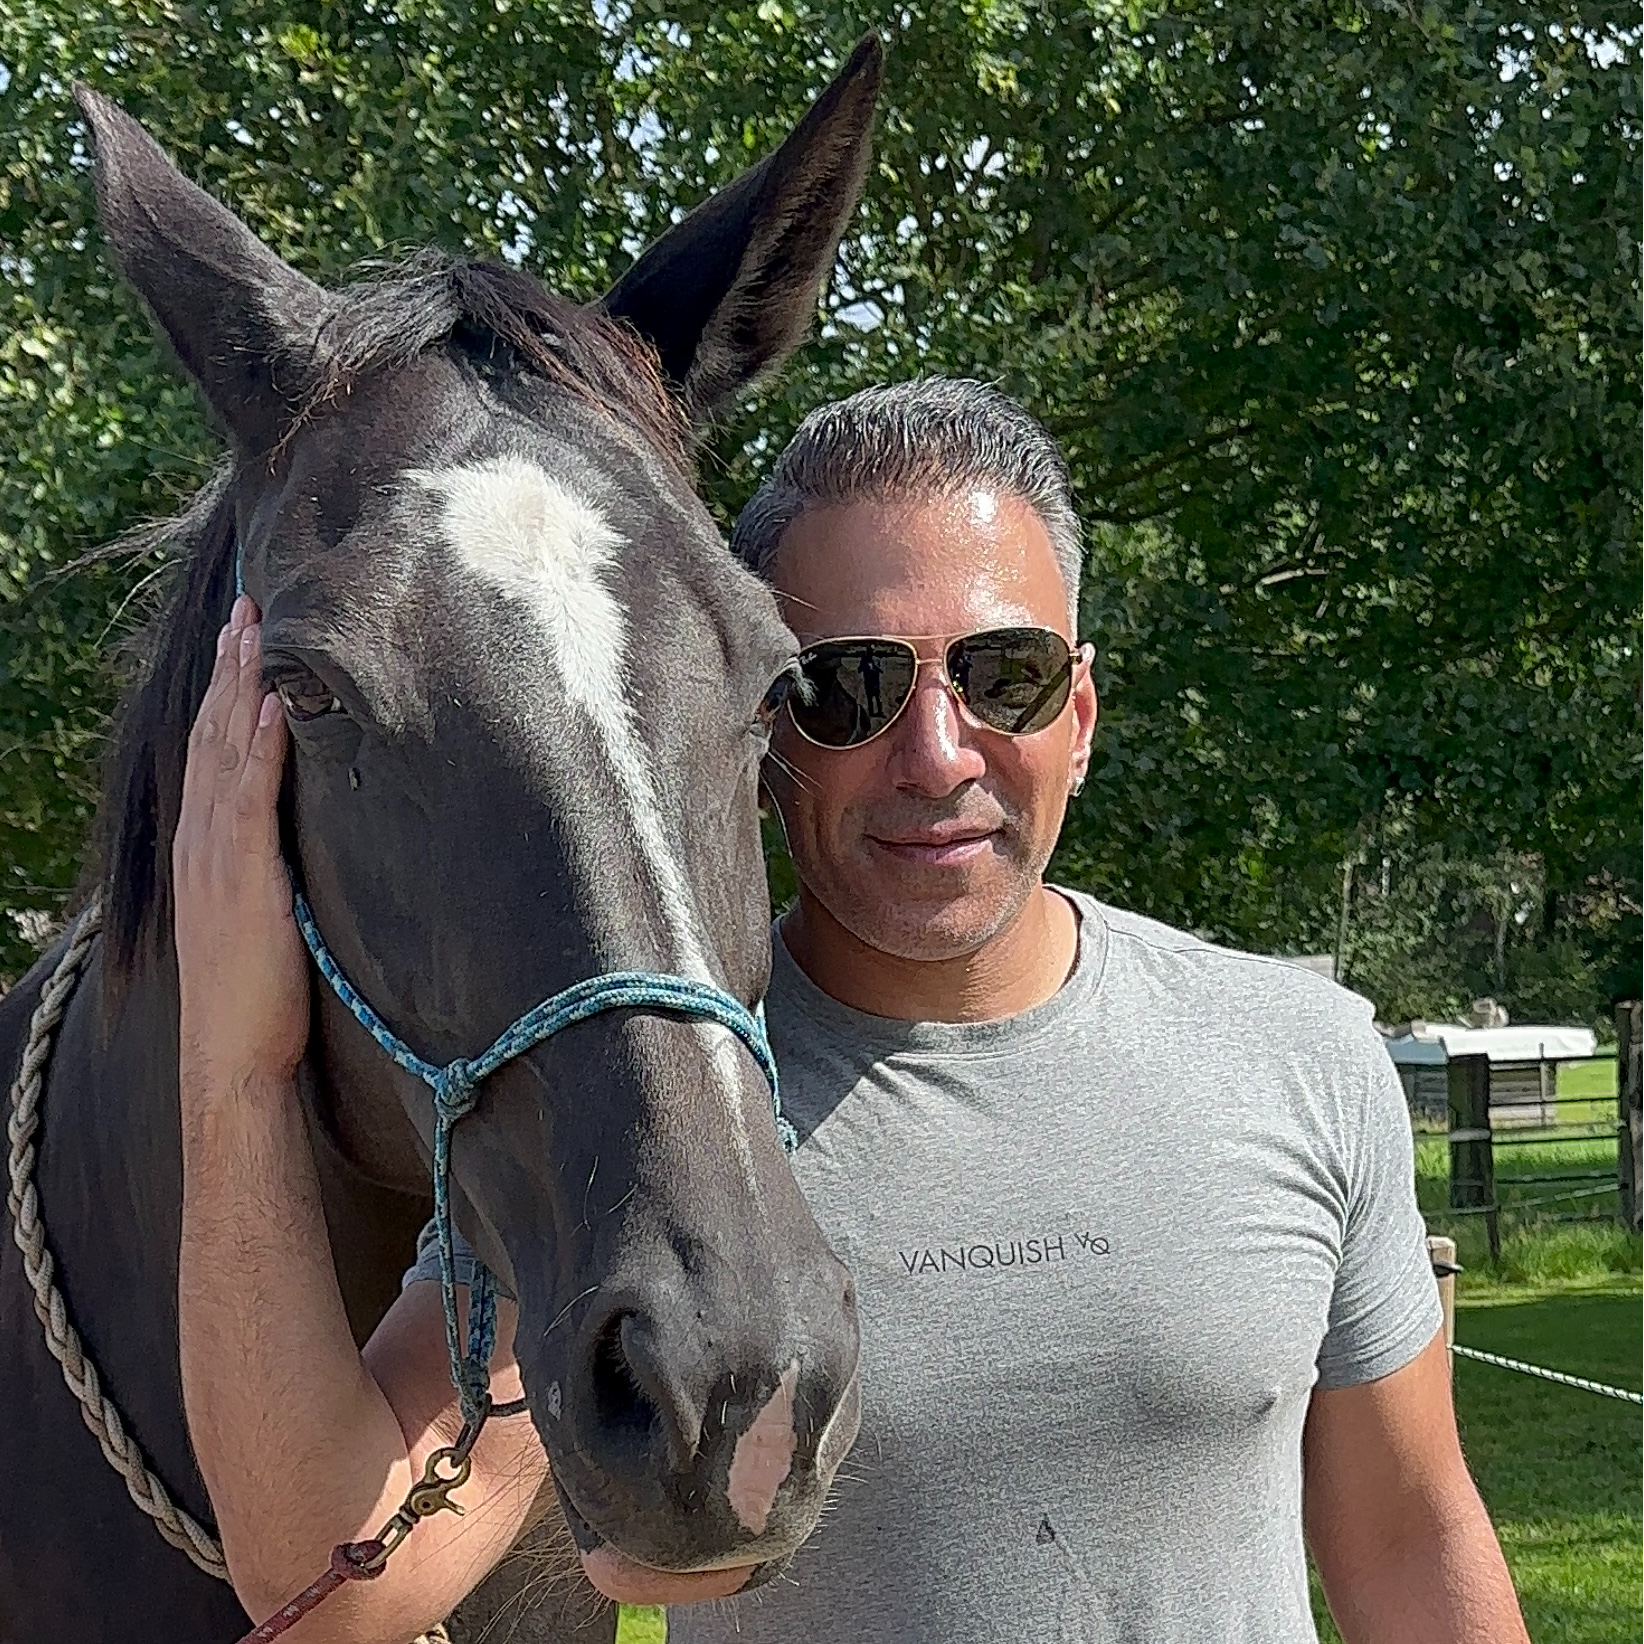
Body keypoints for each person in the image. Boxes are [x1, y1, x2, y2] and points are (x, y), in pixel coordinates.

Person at [175, 378, 1530, 1642]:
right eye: (853, 688)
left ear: (1084, 715)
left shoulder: (1301, 1059)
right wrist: (236, 1066)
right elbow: (331, 1577)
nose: (938, 754)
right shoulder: (653, 1121)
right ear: (762, 731)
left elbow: (1408, 1535)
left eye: (1007, 675)